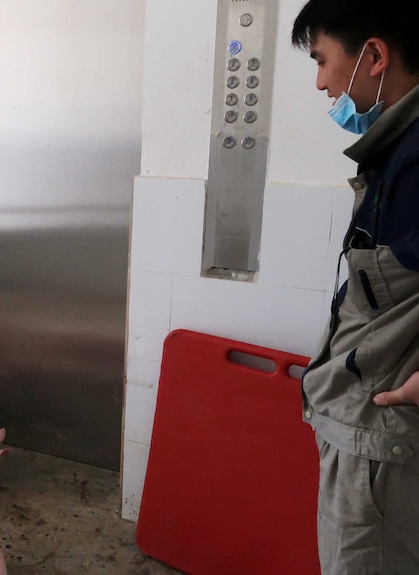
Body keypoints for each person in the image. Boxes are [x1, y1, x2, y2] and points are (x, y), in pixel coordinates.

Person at [291, 1, 419, 573]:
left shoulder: (414, 160)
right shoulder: (396, 151)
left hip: (384, 444)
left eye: (322, 61)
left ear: (374, 56)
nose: (321, 83)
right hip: (373, 431)